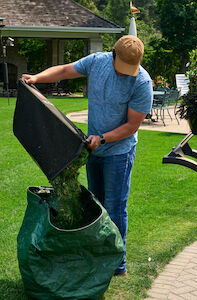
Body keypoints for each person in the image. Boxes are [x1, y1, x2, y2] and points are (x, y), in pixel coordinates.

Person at [22, 35, 153, 276]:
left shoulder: (142, 83)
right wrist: (37, 78)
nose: (126, 73)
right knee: (97, 206)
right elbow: (63, 70)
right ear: (113, 55)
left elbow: (132, 126)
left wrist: (102, 138)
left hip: (119, 153)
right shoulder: (97, 62)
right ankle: (98, 254)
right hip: (93, 151)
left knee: (115, 208)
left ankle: (117, 263)